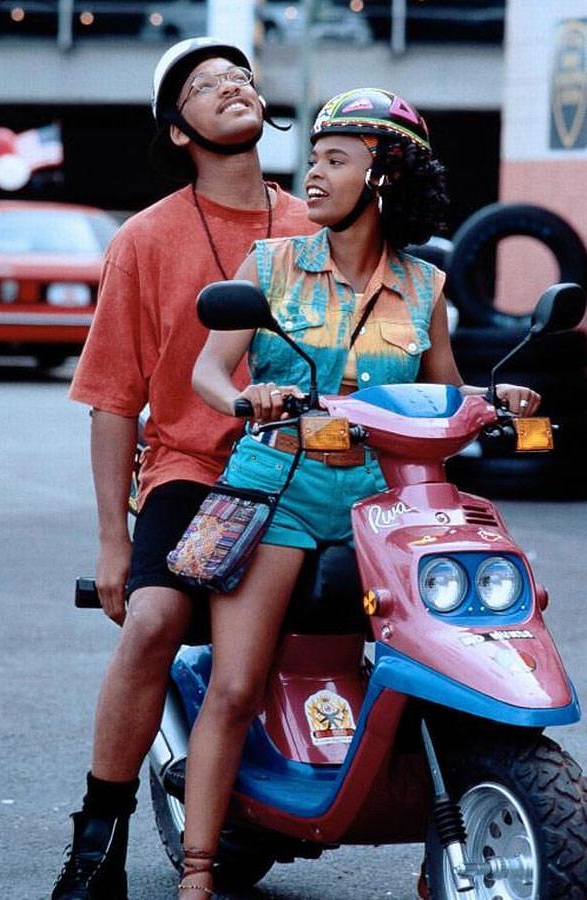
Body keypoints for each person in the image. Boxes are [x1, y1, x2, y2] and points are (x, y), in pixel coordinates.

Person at [187, 87, 541, 899]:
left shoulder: (426, 287)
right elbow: (208, 372)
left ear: (384, 179)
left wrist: (498, 400)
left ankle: (440, 840)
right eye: (313, 158)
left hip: (385, 503)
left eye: (335, 160)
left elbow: (445, 390)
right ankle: (199, 871)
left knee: (438, 657)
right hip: (277, 489)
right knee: (236, 686)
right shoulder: (271, 265)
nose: (312, 175)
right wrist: (248, 398)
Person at [50, 36, 315, 900]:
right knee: (155, 618)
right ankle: (98, 842)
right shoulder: (144, 239)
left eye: (242, 77)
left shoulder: (316, 227)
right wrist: (112, 542)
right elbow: (113, 401)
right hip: (193, 470)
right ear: (178, 129)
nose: (233, 86)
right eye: (206, 85)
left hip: (312, 471)